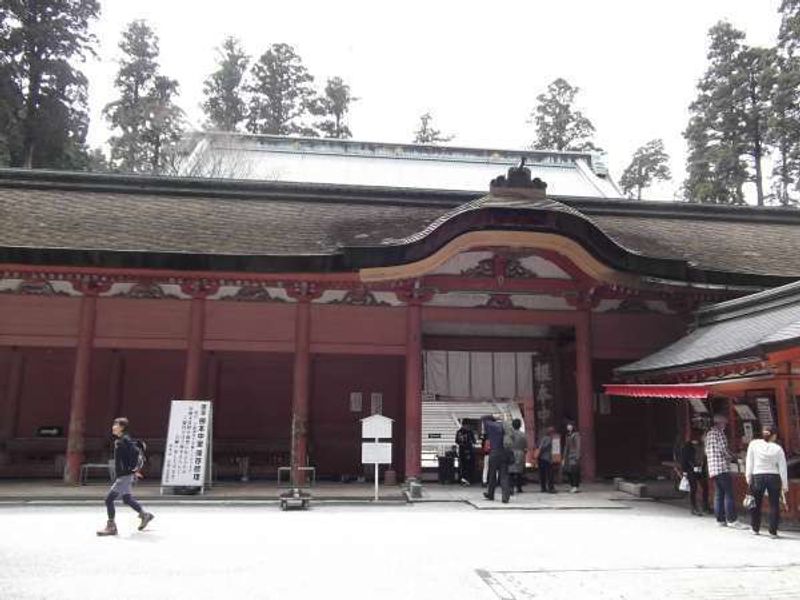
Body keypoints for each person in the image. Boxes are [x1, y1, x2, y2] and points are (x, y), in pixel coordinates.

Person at [97, 417, 155, 536]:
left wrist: (132, 469)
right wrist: (134, 470)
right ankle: (145, 515)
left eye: (116, 425)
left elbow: (133, 455)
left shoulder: (123, 441)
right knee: (127, 498)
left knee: (108, 500)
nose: (113, 427)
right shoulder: (124, 440)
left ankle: (111, 527)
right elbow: (133, 455)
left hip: (124, 476)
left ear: (122, 427)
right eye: (114, 424)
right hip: (126, 474)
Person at [745, 426, 789, 538]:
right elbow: (782, 467)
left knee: (756, 503)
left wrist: (748, 476)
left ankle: (755, 528)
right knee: (774, 504)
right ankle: (773, 531)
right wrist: (785, 484)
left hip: (758, 476)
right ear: (773, 436)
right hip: (773, 476)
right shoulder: (778, 449)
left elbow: (749, 461)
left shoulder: (754, 444)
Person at [705, 413, 741, 528]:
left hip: (713, 468)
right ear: (720, 423)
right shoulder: (719, 433)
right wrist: (734, 456)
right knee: (729, 494)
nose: (725, 425)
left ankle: (720, 519)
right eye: (724, 423)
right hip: (722, 467)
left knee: (718, 494)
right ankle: (732, 519)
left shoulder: (708, 434)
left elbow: (706, 451)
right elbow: (724, 449)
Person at [481, 415, 511, 503]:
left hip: (494, 453)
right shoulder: (505, 426)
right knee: (504, 475)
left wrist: (494, 416)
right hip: (505, 453)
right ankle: (505, 497)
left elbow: (483, 418)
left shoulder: (491, 425)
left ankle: (491, 494)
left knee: (492, 475)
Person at [681, 432, 711, 516]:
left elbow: (704, 457)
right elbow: (684, 459)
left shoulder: (702, 445)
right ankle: (694, 507)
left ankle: (705, 506)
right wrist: (685, 471)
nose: (702, 437)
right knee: (693, 488)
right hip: (691, 470)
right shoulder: (687, 446)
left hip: (701, 469)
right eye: (702, 436)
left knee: (705, 487)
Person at [508, 419, 528, 493]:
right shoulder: (523, 435)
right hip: (520, 453)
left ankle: (511, 487)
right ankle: (519, 487)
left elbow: (507, 444)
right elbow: (525, 445)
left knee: (511, 471)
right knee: (520, 471)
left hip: (511, 453)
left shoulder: (510, 435)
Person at [455, 421, 476, 485]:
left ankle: (463, 479)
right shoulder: (469, 432)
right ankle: (466, 479)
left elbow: (457, 441)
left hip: (462, 450)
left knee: (463, 466)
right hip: (468, 450)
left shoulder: (459, 432)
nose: (468, 427)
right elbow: (474, 441)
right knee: (467, 466)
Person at [563, 422, 581, 493]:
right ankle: (572, 485)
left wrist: (577, 456)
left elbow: (578, 446)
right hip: (568, 456)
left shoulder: (576, 435)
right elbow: (566, 446)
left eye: (570, 425)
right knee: (568, 472)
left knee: (574, 471)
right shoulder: (568, 435)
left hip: (574, 456)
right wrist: (564, 457)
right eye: (568, 425)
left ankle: (575, 486)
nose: (569, 427)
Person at [538, 426, 556, 493]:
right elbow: (543, 447)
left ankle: (543, 487)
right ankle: (550, 487)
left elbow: (540, 446)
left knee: (543, 474)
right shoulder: (549, 439)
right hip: (547, 458)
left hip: (542, 457)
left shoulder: (543, 438)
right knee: (549, 474)